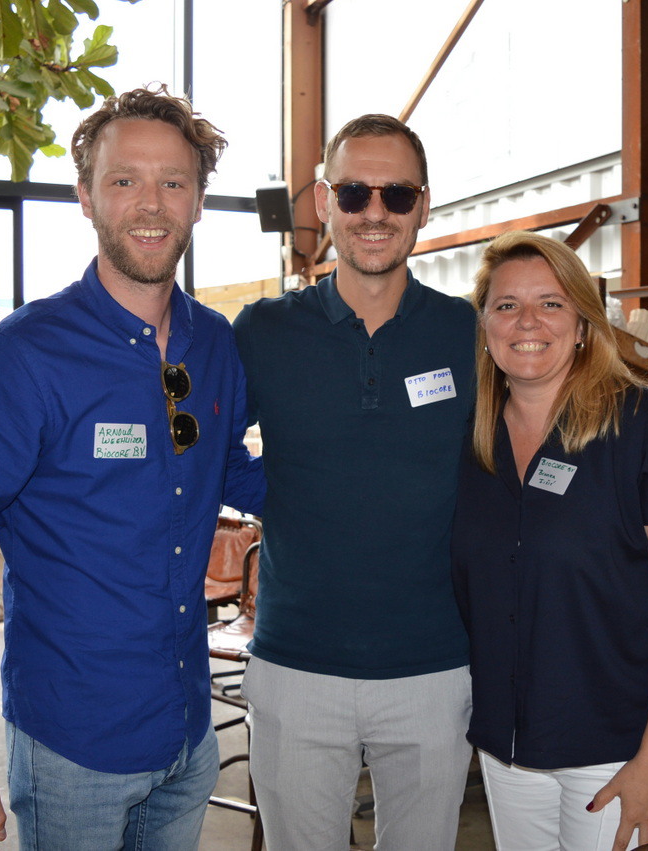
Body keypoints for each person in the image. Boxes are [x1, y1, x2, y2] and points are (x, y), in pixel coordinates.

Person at [0, 85, 265, 850]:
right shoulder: (23, 358)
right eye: (124, 180)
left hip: (189, 733)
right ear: (86, 197)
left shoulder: (216, 343)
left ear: (198, 201)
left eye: (173, 182)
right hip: (72, 746)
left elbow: (229, 469)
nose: (150, 203)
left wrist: (358, 486)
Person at [232, 114, 476, 849]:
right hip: (296, 665)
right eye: (354, 193)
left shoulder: (467, 332)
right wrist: (280, 494)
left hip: (434, 668)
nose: (375, 212)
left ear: (423, 206)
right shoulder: (262, 330)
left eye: (396, 195)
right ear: (323, 201)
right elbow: (201, 451)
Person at [451, 231, 648, 851]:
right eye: (506, 305)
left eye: (551, 303)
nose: (527, 322)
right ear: (485, 326)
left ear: (581, 324)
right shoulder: (473, 440)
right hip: (509, 751)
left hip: (622, 752)